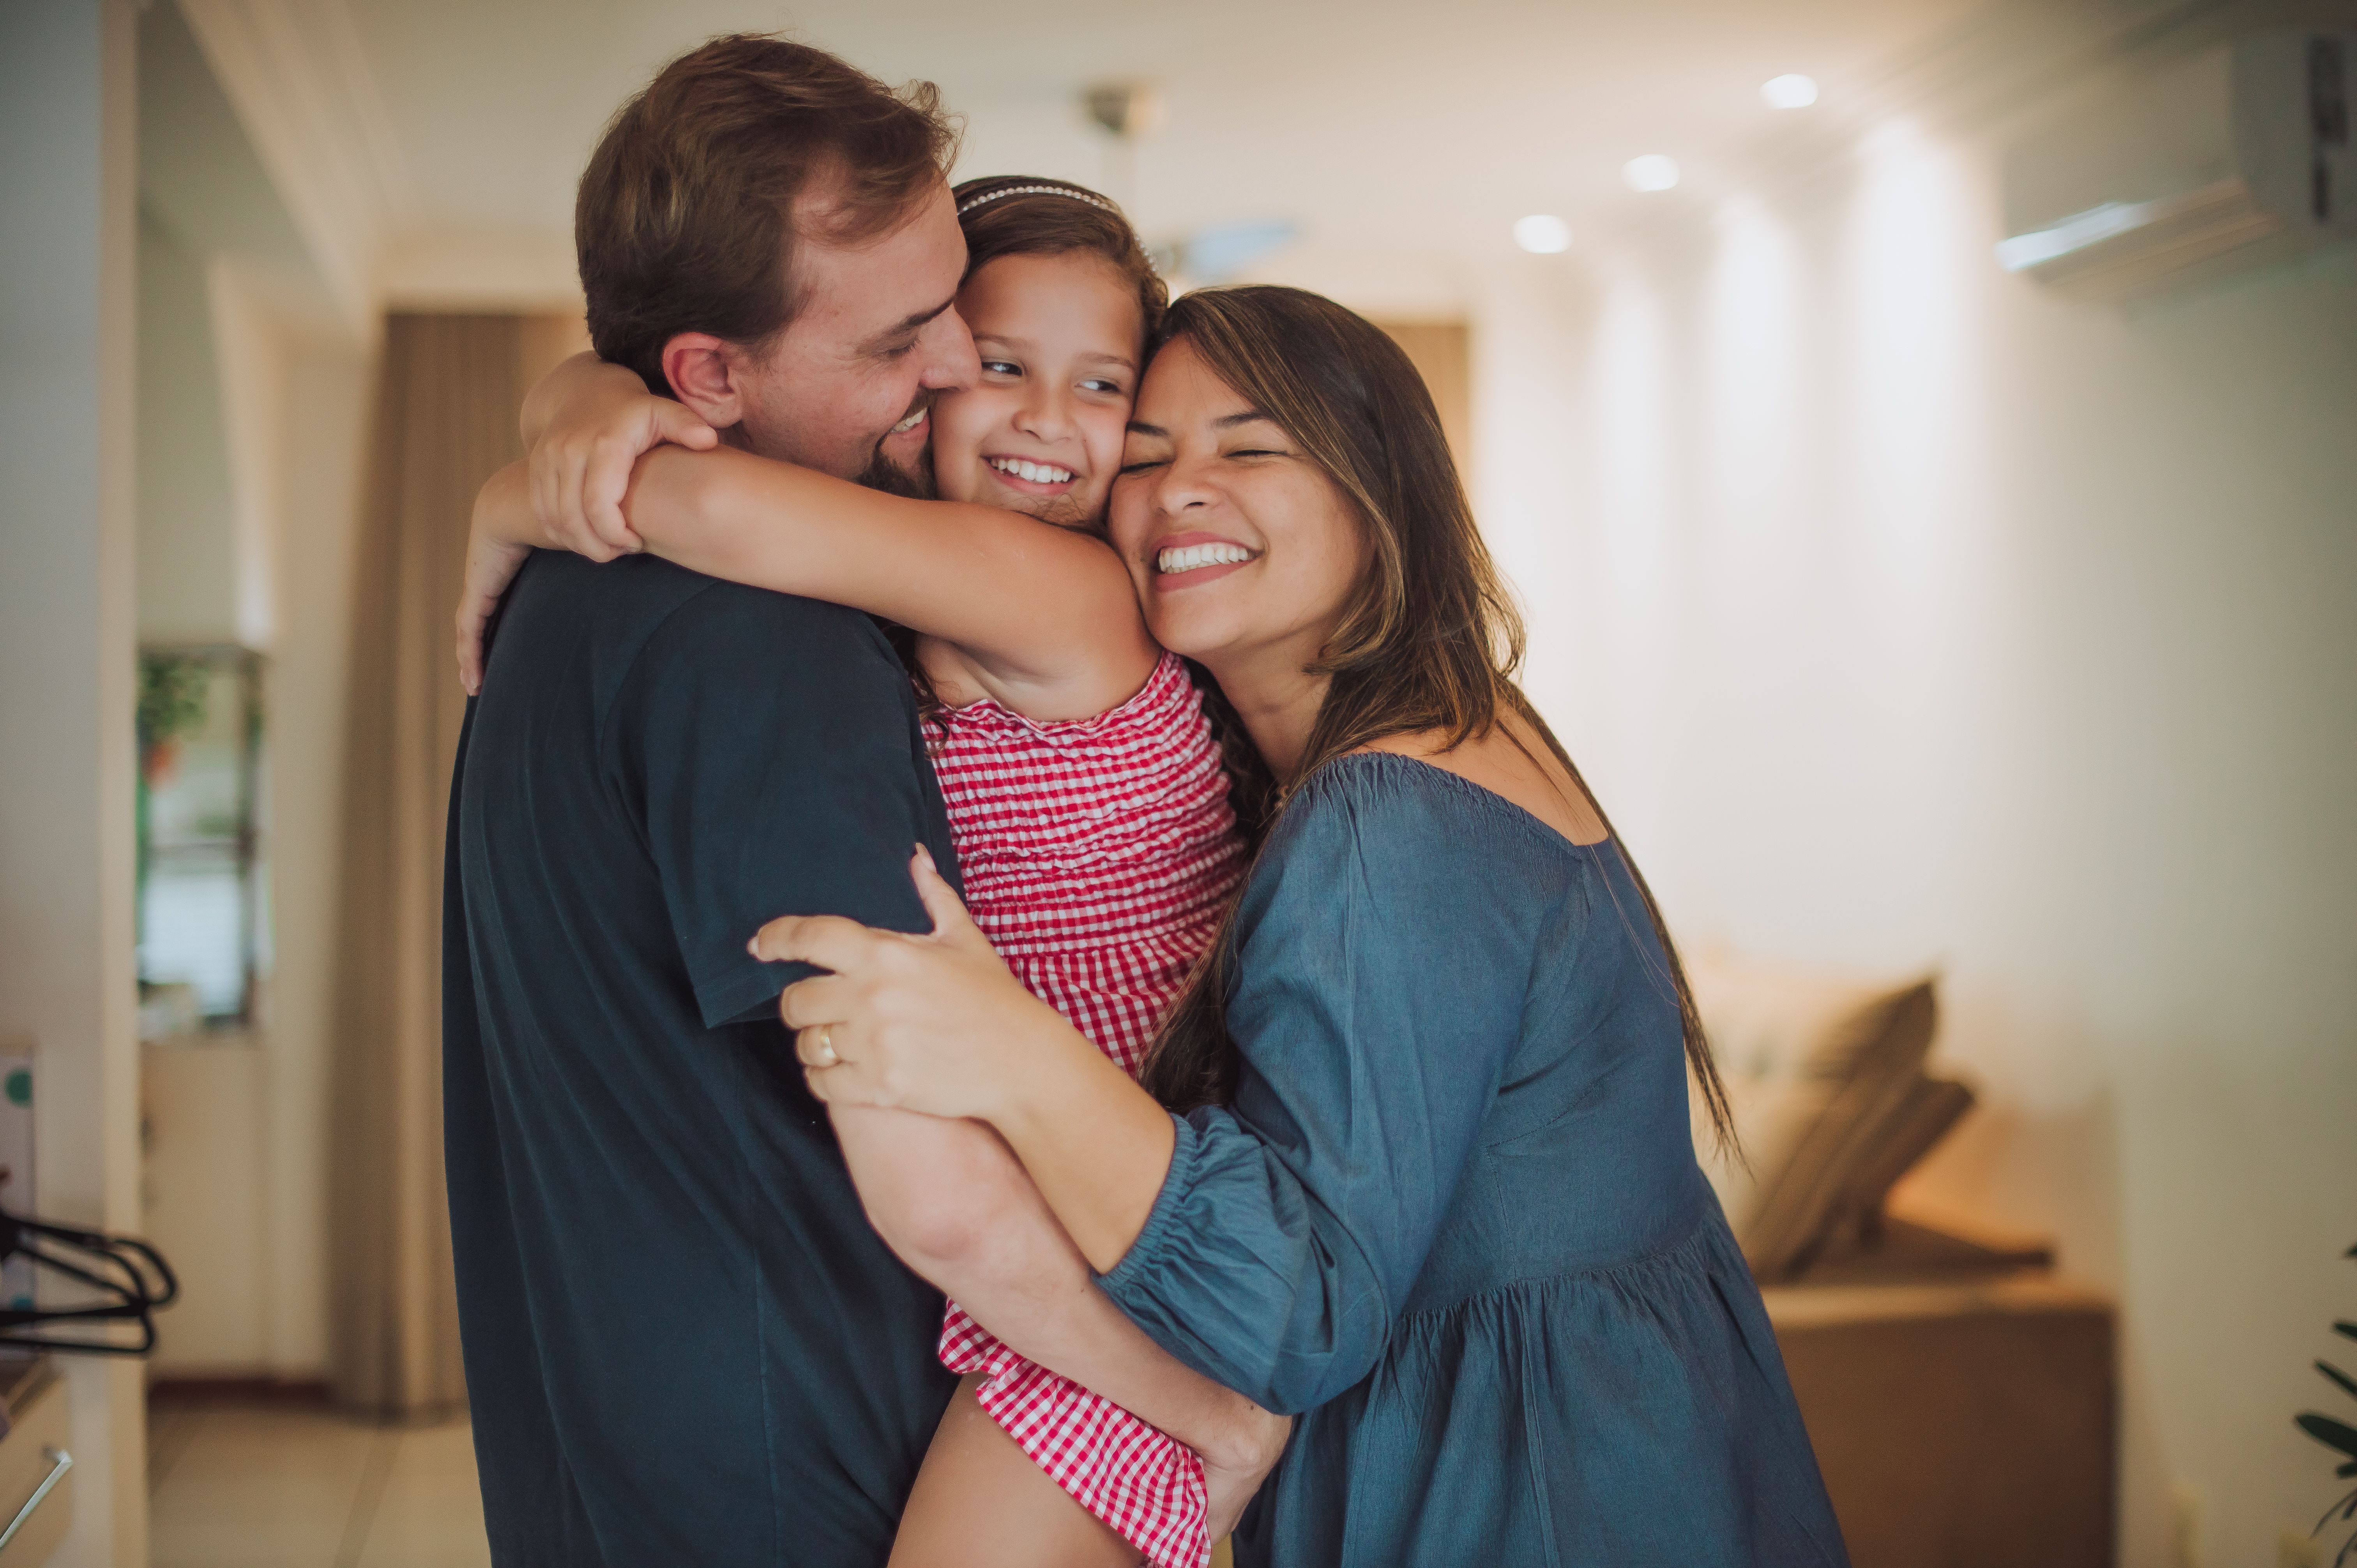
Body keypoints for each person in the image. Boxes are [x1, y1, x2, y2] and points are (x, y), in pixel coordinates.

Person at [749, 285, 1855, 1567]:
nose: (1179, 492)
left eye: (1250, 447)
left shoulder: (1390, 821)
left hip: (1531, 1487)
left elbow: (1300, 1307)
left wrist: (1008, 1047)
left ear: (1378, 494)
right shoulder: (1442, 733)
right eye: (1149, 455)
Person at [459, 177, 1287, 1568]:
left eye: (1104, 389)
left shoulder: (1062, 591)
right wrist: (575, 397)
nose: (1043, 417)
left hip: (1118, 1215)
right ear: (935, 369)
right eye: (998, 362)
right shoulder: (910, 598)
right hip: (1052, 1213)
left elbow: (717, 512)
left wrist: (518, 482)